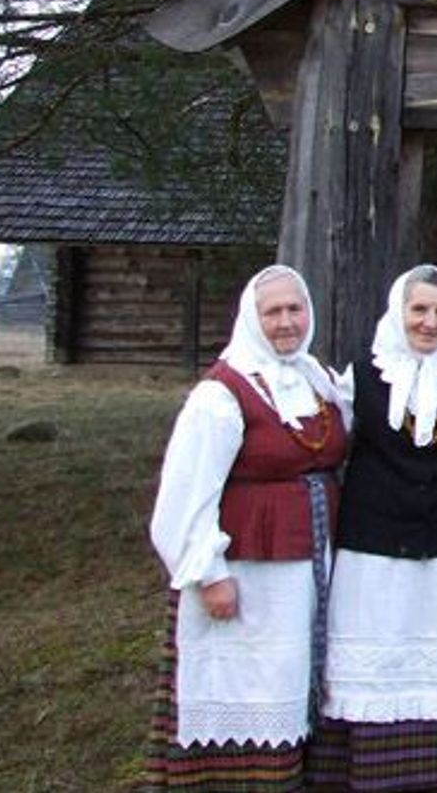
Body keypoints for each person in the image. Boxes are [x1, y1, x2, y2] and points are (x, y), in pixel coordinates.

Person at [146, 265, 350, 790]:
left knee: (292, 672)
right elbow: (186, 494)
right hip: (248, 568)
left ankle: (294, 774)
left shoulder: (315, 378)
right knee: (249, 676)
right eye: (273, 312)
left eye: (295, 309)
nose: (286, 322)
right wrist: (208, 572)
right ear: (252, 318)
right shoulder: (222, 393)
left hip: (309, 561)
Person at [314, 265, 437, 791]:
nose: (431, 322)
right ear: (399, 312)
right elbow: (338, 452)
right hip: (374, 543)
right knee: (379, 646)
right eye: (419, 310)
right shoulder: (360, 377)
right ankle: (368, 767)